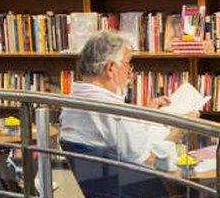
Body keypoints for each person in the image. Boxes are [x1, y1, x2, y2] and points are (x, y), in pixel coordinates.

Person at [59, 30, 198, 166]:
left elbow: (123, 139)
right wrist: (181, 128)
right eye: (127, 65)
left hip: (99, 178)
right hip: (134, 179)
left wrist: (148, 111)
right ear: (110, 68)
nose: (131, 75)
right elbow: (148, 161)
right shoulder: (112, 111)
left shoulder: (71, 103)